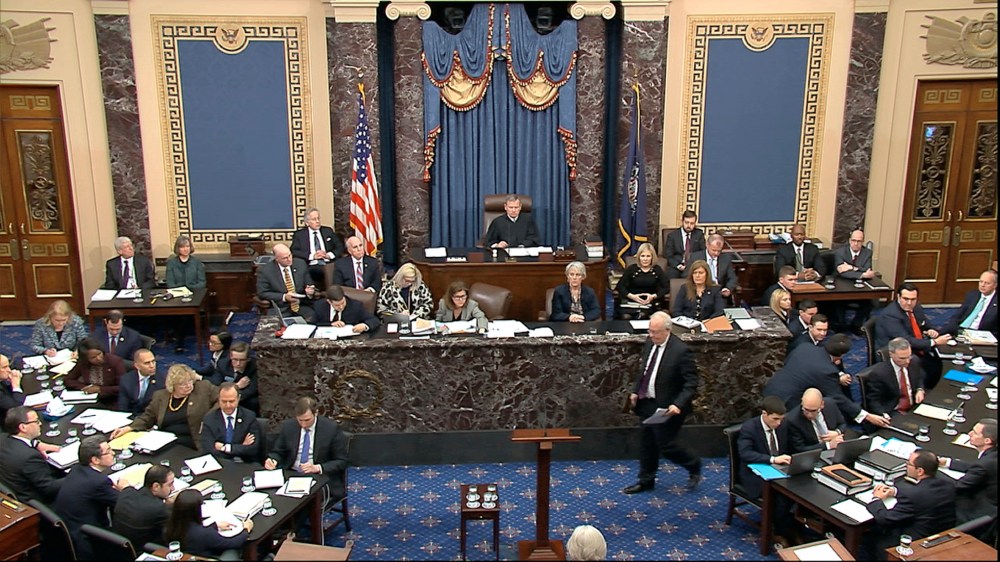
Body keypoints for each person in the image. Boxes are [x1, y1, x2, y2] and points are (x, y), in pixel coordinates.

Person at [622, 312, 702, 494]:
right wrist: (636, 391)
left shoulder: (681, 351)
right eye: (650, 331)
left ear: (668, 330)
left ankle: (693, 464)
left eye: (655, 332)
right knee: (647, 443)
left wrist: (678, 404)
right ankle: (646, 481)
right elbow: (644, 371)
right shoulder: (650, 342)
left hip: (668, 407)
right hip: (647, 402)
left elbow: (691, 383)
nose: (651, 335)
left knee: (667, 445)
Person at [264, 396, 349, 540]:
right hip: (292, 473)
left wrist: (318, 467)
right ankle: (276, 531)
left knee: (304, 500)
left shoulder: (331, 429)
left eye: (307, 420)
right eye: (300, 420)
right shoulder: (289, 426)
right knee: (271, 494)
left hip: (320, 478)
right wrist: (273, 460)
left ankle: (289, 534)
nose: (303, 424)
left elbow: (342, 461)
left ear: (316, 413)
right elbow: (278, 451)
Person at [763, 334, 890, 430]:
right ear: (842, 355)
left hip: (770, 390)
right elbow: (838, 398)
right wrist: (867, 416)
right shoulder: (827, 371)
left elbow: (788, 363)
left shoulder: (804, 347)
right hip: (788, 403)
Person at [864, 450, 955, 560]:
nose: (906, 466)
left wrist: (876, 499)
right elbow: (921, 497)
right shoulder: (948, 484)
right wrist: (895, 492)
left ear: (920, 471)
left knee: (868, 539)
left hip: (914, 543)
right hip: (941, 536)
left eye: (909, 463)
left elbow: (886, 519)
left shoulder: (913, 495)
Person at [111, 364, 219, 451]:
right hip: (165, 440)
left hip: (191, 440)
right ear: (173, 385)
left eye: (190, 381)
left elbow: (222, 399)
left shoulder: (203, 388)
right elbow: (148, 416)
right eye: (182, 384)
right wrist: (129, 428)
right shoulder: (160, 396)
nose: (188, 386)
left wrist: (209, 417)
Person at [54, 436, 129, 560]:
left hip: (69, 530)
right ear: (95, 460)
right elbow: (125, 503)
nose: (113, 453)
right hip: (88, 540)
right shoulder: (99, 482)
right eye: (108, 451)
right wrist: (126, 489)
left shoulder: (76, 469)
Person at [875, 282, 949, 389]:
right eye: (905, 299)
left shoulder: (916, 307)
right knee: (925, 374)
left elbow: (926, 324)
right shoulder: (890, 315)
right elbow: (906, 340)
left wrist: (931, 330)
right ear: (898, 297)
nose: (909, 303)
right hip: (898, 354)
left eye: (913, 299)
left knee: (940, 366)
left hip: (916, 348)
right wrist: (934, 342)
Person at [0, 406, 64, 504]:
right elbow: (49, 489)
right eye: (36, 421)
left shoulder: (2, 438)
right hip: (40, 503)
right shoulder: (30, 457)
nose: (40, 423)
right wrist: (74, 476)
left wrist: (36, 444)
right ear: (23, 427)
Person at [165, 489, 252, 560]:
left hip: (189, 557)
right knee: (233, 551)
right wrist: (246, 529)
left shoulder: (170, 526)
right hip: (206, 558)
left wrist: (215, 526)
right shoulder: (205, 534)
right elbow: (232, 543)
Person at [939, 418, 997, 525]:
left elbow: (958, 486)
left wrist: (932, 470)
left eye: (975, 433)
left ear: (987, 441)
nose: (969, 434)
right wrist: (947, 462)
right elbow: (976, 467)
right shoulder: (992, 456)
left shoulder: (984, 465)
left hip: (977, 514)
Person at [737, 396, 791, 501]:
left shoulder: (783, 425)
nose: (778, 423)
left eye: (781, 419)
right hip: (755, 474)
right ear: (764, 413)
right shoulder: (749, 428)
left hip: (780, 469)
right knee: (782, 496)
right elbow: (745, 453)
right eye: (775, 419)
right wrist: (773, 459)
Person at [112, 465, 174, 549]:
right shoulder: (160, 509)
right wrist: (175, 505)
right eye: (170, 485)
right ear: (156, 486)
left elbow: (126, 487)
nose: (173, 488)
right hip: (144, 550)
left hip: (119, 547)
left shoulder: (127, 493)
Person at [200, 382, 264, 463]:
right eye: (224, 401)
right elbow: (209, 450)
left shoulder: (249, 417)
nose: (228, 405)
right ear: (218, 399)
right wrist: (241, 447)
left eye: (231, 401)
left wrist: (224, 448)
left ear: (238, 398)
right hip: (220, 462)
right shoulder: (209, 419)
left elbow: (253, 449)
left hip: (245, 463)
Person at [865, 338, 926, 420]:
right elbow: (873, 400)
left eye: (909, 356)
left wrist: (920, 389)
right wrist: (884, 415)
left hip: (914, 404)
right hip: (894, 411)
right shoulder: (879, 374)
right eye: (902, 358)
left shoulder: (914, 361)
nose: (907, 361)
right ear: (891, 354)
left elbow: (919, 378)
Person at [165, 235, 207, 352]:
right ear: (178, 248)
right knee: (176, 313)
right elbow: (170, 283)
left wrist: (189, 290)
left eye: (187, 246)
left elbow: (202, 283)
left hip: (194, 295)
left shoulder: (197, 263)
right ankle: (179, 338)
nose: (185, 249)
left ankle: (180, 341)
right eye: (182, 247)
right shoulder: (171, 263)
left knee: (184, 315)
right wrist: (180, 291)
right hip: (177, 296)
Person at [257, 243, 317, 322]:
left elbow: (309, 283)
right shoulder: (266, 271)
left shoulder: (300, 264)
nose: (289, 259)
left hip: (301, 305)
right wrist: (284, 297)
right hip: (281, 307)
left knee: (315, 320)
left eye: (290, 255)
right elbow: (262, 293)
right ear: (276, 259)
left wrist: (310, 290)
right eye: (285, 258)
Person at [832, 229, 876, 332]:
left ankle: (856, 325)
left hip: (860, 286)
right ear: (849, 240)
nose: (856, 244)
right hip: (841, 284)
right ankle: (841, 326)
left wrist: (851, 268)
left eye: (859, 241)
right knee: (839, 301)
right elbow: (842, 272)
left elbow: (867, 270)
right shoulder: (840, 252)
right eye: (853, 240)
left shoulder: (867, 253)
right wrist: (862, 274)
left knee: (868, 302)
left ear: (862, 242)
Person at [64, 337, 125, 408]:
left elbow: (122, 387)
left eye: (99, 354)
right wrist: (85, 388)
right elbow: (68, 380)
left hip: (110, 400)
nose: (98, 358)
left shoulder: (115, 361)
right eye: (93, 357)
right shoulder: (83, 363)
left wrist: (100, 389)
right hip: (89, 399)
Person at [614, 242, 668, 319]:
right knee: (626, 317)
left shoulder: (657, 270)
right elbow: (620, 286)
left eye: (648, 256)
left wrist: (653, 296)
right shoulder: (632, 269)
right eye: (642, 256)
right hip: (631, 302)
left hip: (649, 303)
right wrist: (632, 296)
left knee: (642, 316)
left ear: (652, 257)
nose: (645, 259)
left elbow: (666, 287)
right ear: (639, 257)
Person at [786, 388, 847, 453]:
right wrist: (829, 445)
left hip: (837, 449)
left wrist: (837, 432)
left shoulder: (830, 404)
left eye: (813, 411)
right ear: (802, 402)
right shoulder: (793, 420)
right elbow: (800, 449)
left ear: (822, 404)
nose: (809, 415)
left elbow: (842, 424)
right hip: (815, 454)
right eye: (806, 410)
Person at [942, 269, 997, 337]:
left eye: (987, 283)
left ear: (995, 285)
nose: (982, 285)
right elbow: (958, 315)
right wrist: (952, 327)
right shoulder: (972, 295)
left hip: (980, 334)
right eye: (981, 282)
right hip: (961, 329)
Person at [290, 207, 344, 276]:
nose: (317, 221)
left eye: (318, 218)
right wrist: (312, 256)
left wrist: (328, 255)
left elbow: (339, 247)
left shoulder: (328, 231)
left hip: (328, 263)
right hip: (310, 265)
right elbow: (294, 251)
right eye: (314, 219)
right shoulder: (299, 235)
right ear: (307, 223)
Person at [689, 233, 737, 300]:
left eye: (719, 251)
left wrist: (728, 288)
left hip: (719, 294)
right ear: (707, 245)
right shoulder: (695, 257)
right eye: (714, 250)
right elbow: (687, 276)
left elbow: (732, 278)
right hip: (700, 292)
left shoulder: (726, 258)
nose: (716, 253)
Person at [118, 348, 165, 415]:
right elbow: (123, 406)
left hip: (151, 417)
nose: (152, 366)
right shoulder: (126, 379)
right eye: (147, 363)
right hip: (130, 415)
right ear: (137, 366)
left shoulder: (162, 381)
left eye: (153, 361)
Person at [315, 285, 381, 333]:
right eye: (337, 305)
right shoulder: (319, 306)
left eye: (343, 303)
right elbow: (312, 324)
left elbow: (374, 320)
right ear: (329, 302)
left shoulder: (355, 306)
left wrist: (364, 326)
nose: (341, 307)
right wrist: (331, 324)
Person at [663, 210, 705, 280]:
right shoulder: (672, 235)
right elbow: (668, 255)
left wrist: (693, 265)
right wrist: (678, 266)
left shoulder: (699, 234)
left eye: (692, 223)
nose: (689, 225)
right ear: (682, 221)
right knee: (670, 275)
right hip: (676, 265)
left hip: (693, 265)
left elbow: (703, 252)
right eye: (687, 222)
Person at [219, 342, 259, 415]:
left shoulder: (255, 366)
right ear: (230, 357)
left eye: (242, 360)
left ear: (248, 359)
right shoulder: (222, 364)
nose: (238, 363)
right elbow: (217, 385)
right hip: (226, 398)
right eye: (235, 359)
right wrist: (237, 386)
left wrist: (233, 398)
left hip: (245, 399)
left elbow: (251, 390)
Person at [0, 354, 25, 421]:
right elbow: (17, 409)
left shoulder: (2, 380)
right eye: (4, 367)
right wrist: (16, 385)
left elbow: (16, 396)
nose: (9, 370)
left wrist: (13, 382)